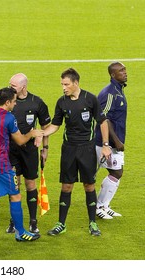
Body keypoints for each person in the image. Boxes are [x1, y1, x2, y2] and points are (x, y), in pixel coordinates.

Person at [43, 68, 111, 236]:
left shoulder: (90, 99)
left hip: (86, 149)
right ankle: (61, 224)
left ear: (75, 83)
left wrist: (105, 144)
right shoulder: (61, 102)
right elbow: (56, 125)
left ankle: (93, 223)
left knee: (89, 185)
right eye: (62, 84)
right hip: (68, 149)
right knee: (66, 186)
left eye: (66, 84)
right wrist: (42, 133)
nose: (63, 88)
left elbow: (102, 122)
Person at [0, 87, 43, 242]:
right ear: (7, 102)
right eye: (14, 101)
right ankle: (21, 232)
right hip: (2, 164)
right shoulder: (8, 117)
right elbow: (20, 141)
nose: (15, 104)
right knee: (15, 195)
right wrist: (31, 133)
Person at [6, 73, 51, 234]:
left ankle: (33, 221)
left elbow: (46, 126)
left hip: (30, 151)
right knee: (14, 184)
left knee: (30, 184)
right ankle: (14, 221)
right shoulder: (9, 101)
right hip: (11, 150)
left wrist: (45, 149)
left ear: (23, 87)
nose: (10, 87)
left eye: (13, 86)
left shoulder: (36, 102)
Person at [94, 62, 127, 219]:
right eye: (121, 71)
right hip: (104, 142)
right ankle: (98, 206)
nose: (125, 72)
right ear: (113, 75)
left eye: (125, 69)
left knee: (117, 172)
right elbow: (104, 119)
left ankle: (103, 205)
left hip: (114, 142)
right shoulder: (109, 93)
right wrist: (115, 141)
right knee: (114, 172)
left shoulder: (118, 90)